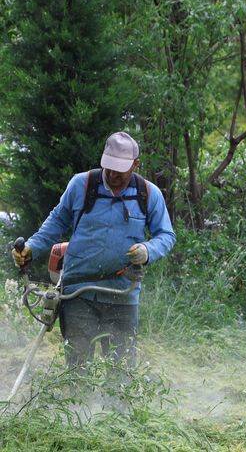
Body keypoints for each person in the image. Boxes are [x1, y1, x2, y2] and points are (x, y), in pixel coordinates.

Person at [11, 132, 176, 367]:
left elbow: (166, 235)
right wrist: (31, 248)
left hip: (123, 295)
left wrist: (148, 250)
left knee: (121, 372)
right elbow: (57, 221)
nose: (112, 174)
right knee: (78, 367)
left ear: (136, 165)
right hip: (79, 293)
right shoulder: (82, 184)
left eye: (120, 169)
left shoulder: (148, 194)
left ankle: (117, 405)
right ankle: (79, 405)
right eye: (109, 167)